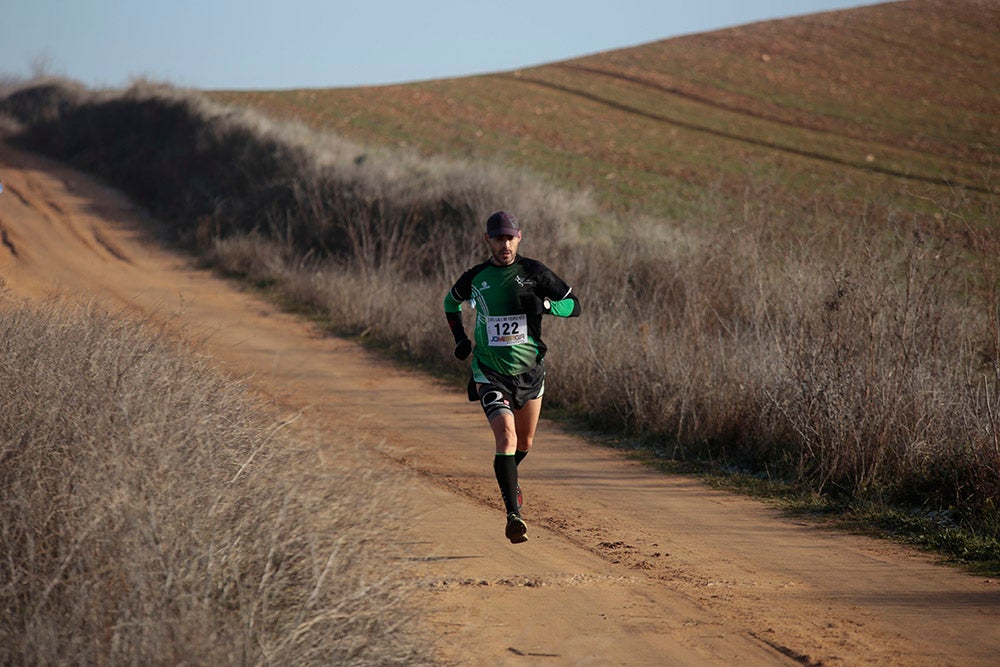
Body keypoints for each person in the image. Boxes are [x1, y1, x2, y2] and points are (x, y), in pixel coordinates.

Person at [443, 211, 581, 543]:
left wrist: (546, 305)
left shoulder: (534, 272)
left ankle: (509, 473)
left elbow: (574, 306)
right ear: (486, 240)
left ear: (520, 237)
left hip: (530, 371)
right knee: (506, 439)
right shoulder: (476, 277)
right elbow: (450, 303)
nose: (504, 244)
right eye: (498, 238)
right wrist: (460, 339)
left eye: (510, 238)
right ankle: (513, 515)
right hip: (489, 371)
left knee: (525, 442)